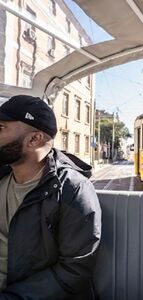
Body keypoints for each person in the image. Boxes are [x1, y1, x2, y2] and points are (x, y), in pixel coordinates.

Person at [0, 95, 101, 299]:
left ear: (34, 139)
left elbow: (74, 270)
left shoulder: (72, 189)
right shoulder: (2, 176)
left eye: (1, 128)